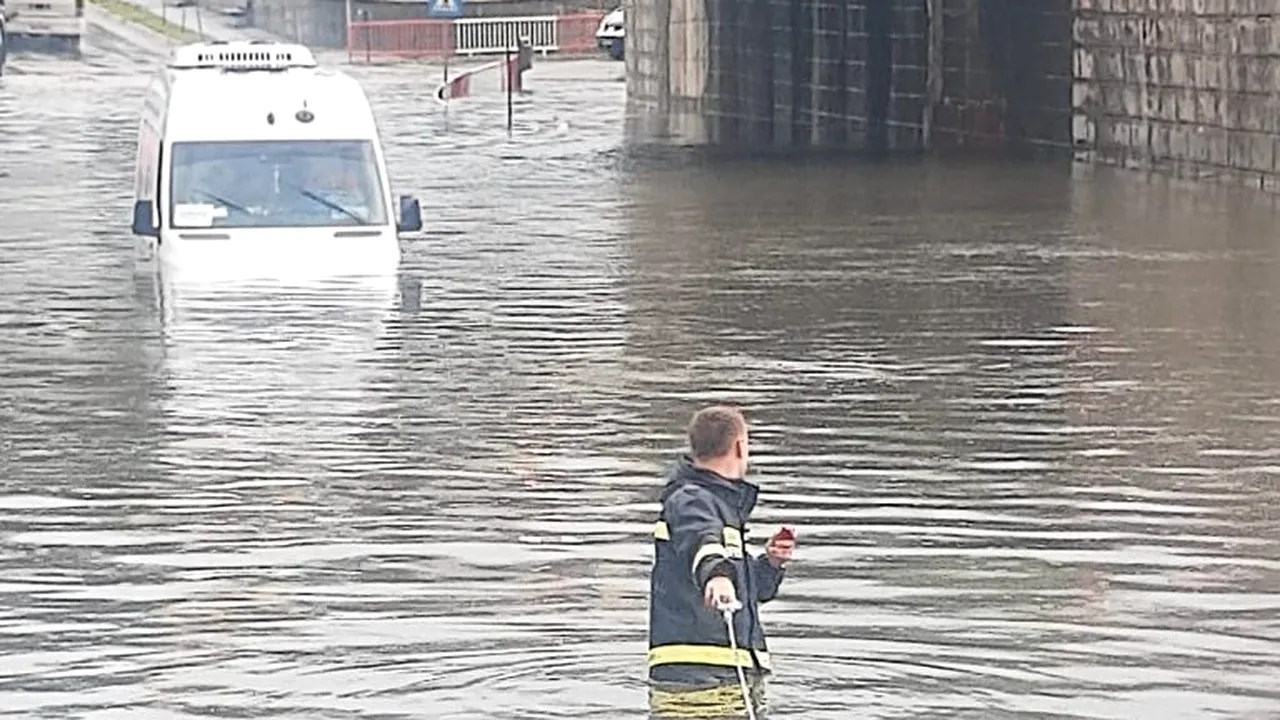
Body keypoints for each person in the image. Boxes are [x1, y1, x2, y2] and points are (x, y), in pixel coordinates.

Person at [647, 405, 796, 718]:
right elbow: (701, 542)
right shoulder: (693, 499)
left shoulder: (720, 508)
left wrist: (770, 564)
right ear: (740, 446)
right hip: (698, 674)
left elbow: (745, 589)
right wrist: (717, 575)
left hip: (725, 671)